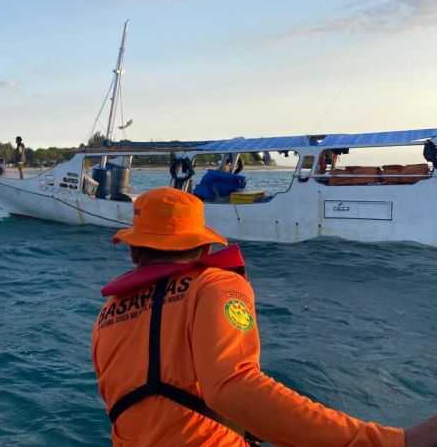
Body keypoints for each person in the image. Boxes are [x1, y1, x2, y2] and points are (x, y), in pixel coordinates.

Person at [91, 186, 437, 447]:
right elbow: (231, 387)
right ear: (205, 247)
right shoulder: (214, 283)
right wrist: (390, 441)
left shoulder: (107, 315)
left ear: (135, 251)